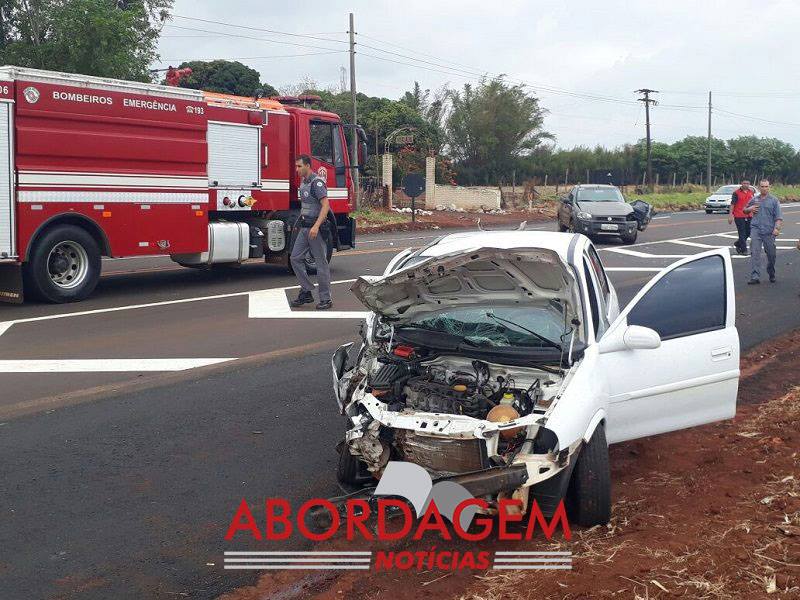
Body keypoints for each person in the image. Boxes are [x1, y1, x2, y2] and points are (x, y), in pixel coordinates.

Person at [289, 155, 332, 309]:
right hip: (304, 227)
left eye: (299, 166)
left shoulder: (317, 183)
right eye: (296, 166)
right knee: (295, 258)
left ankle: (326, 299)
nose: (297, 169)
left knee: (321, 264)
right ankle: (307, 291)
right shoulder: (304, 182)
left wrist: (316, 226)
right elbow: (306, 206)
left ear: (307, 165)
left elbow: (325, 206)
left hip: (316, 229)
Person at [744, 179, 783, 284]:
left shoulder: (774, 200)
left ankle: (771, 272)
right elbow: (745, 209)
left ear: (769, 187)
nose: (764, 188)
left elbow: (778, 217)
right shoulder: (754, 199)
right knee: (755, 253)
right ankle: (755, 276)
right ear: (759, 187)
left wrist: (776, 228)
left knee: (771, 255)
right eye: (762, 186)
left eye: (766, 186)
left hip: (769, 230)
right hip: (756, 229)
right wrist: (750, 208)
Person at [729, 179, 754, 255]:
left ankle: (738, 243)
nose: (746, 185)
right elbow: (732, 204)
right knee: (742, 232)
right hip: (739, 215)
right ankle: (744, 250)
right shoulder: (736, 193)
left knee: (749, 232)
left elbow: (753, 203)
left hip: (749, 215)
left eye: (747, 183)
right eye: (744, 183)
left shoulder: (751, 192)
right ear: (741, 184)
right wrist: (730, 215)